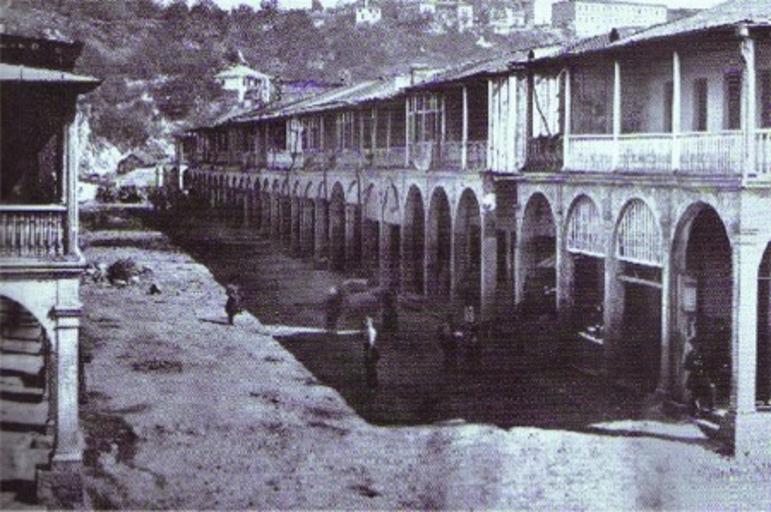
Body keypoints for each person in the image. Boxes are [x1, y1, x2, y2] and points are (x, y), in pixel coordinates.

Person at [684, 335, 715, 416]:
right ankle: (695, 411)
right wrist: (693, 365)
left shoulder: (703, 353)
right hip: (694, 377)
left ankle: (710, 409)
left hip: (703, 376)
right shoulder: (690, 354)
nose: (694, 345)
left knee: (708, 392)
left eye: (696, 343)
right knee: (694, 394)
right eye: (692, 344)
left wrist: (702, 365)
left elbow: (709, 364)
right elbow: (686, 366)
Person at [362, 316, 380, 389]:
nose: (364, 323)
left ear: (370, 323)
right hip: (369, 350)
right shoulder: (367, 330)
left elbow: (371, 343)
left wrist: (368, 353)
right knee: (369, 367)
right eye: (364, 321)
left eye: (366, 322)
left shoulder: (370, 331)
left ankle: (373, 384)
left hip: (371, 351)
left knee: (371, 367)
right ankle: (371, 383)